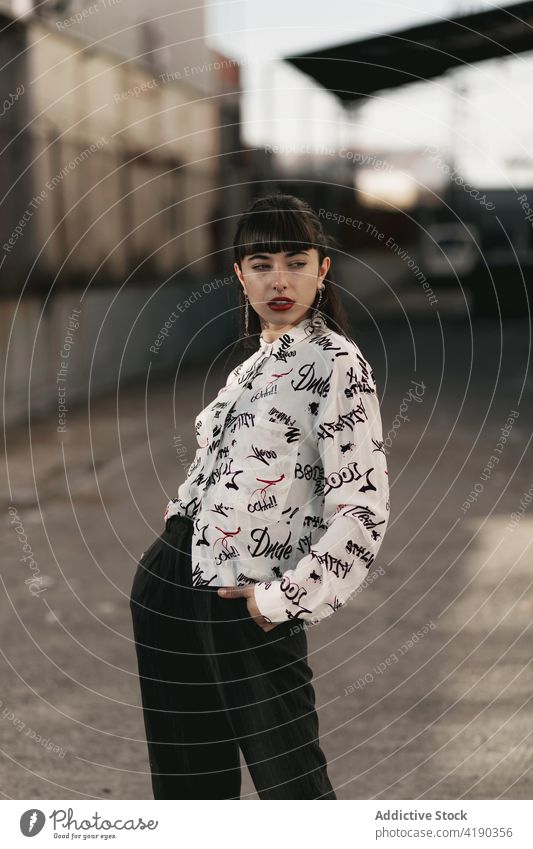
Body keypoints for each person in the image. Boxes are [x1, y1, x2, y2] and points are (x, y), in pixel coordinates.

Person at [130, 193, 390, 800]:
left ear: (323, 271)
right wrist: (170, 536)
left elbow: (361, 506)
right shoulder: (250, 367)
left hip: (247, 597)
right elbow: (209, 468)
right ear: (239, 274)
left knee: (295, 792)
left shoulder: (336, 366)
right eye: (262, 262)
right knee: (189, 792)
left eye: (297, 262)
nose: (280, 279)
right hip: (173, 583)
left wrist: (284, 598)